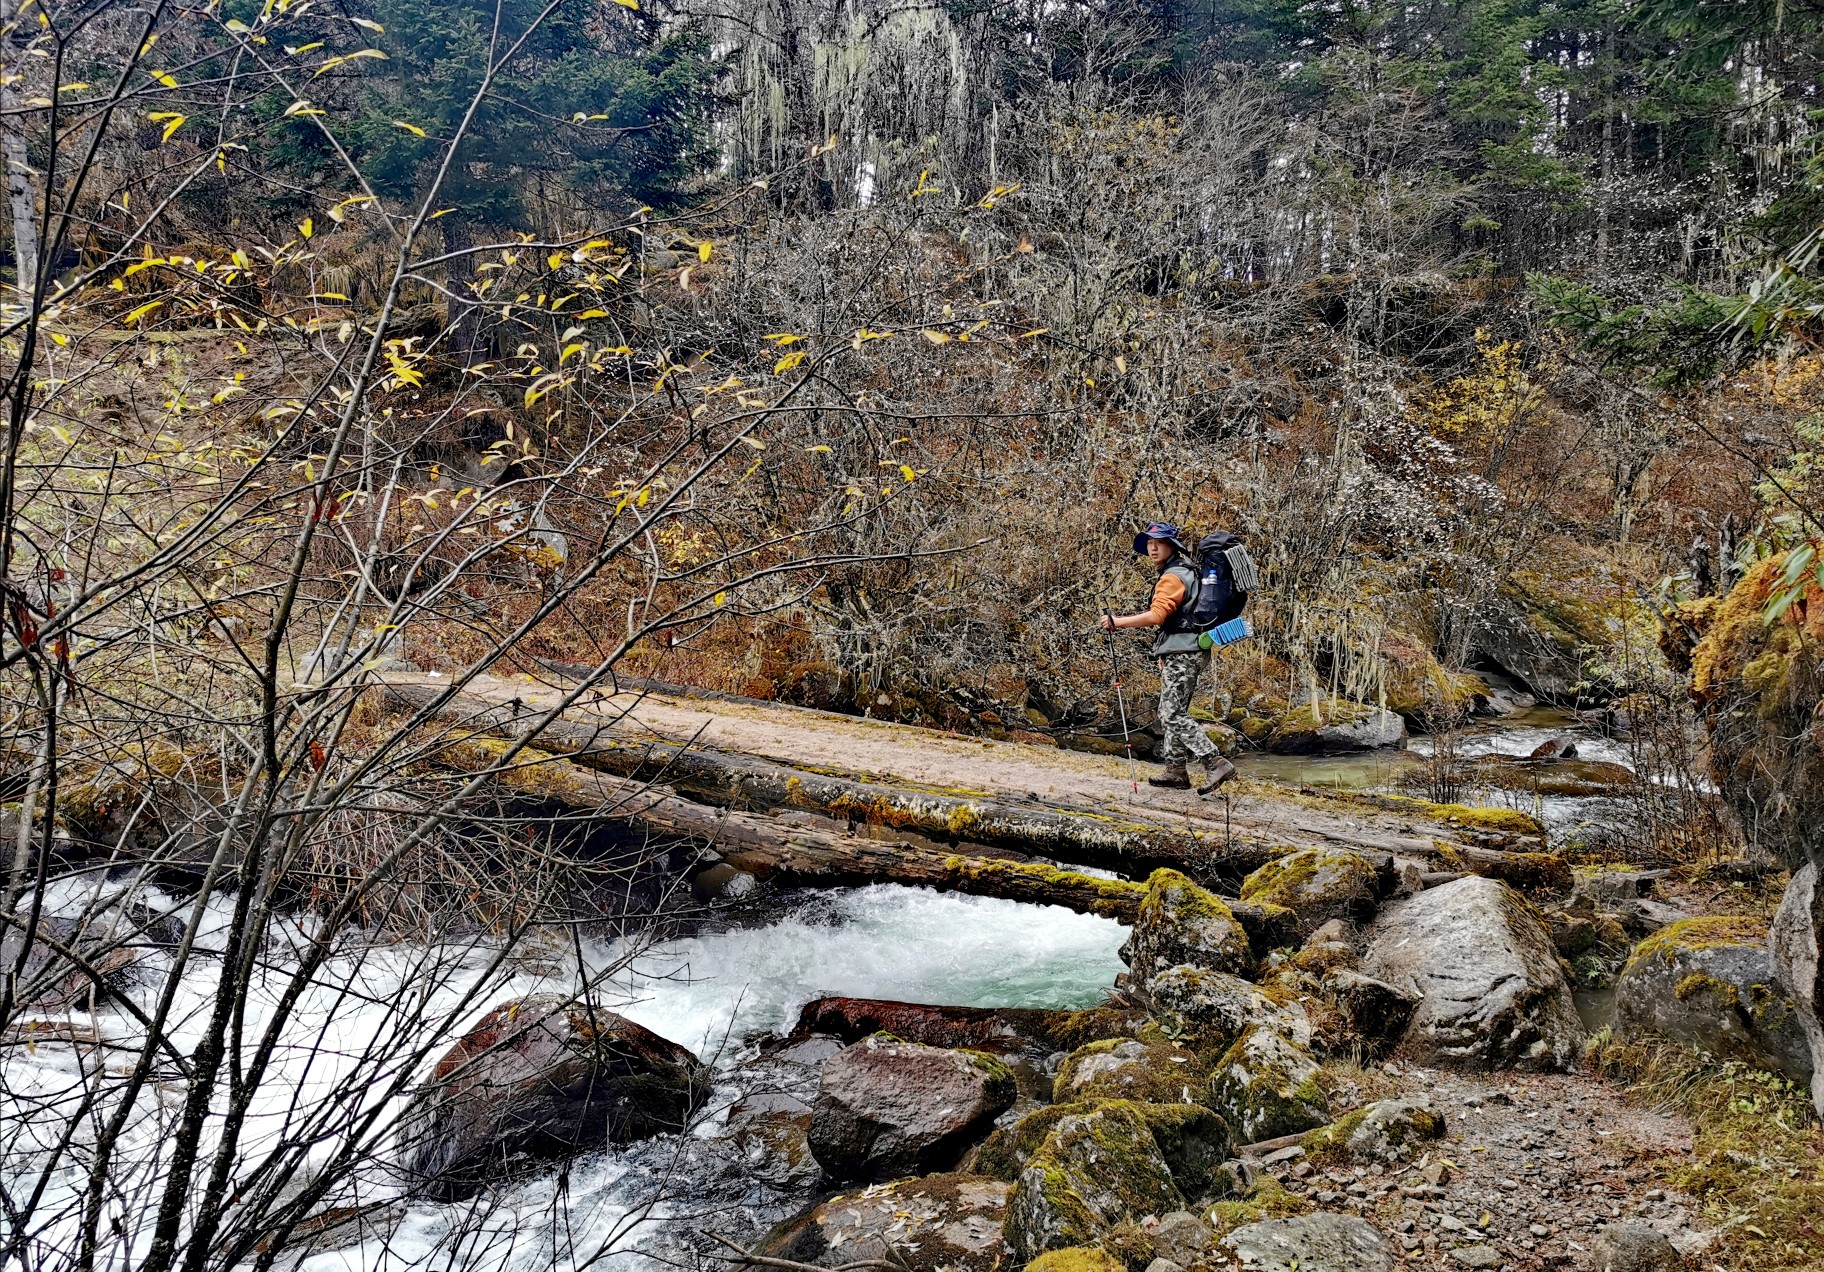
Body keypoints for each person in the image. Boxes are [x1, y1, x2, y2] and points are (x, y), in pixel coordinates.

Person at [1100, 521, 1238, 794]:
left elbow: (1157, 616)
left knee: (1170, 712)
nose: (1152, 548)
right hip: (1186, 650)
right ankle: (1176, 771)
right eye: (1149, 543)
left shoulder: (1172, 576)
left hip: (1184, 652)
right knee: (1176, 711)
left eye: (1159, 543)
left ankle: (1215, 762)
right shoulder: (1186, 571)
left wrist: (1118, 621)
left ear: (1170, 546)